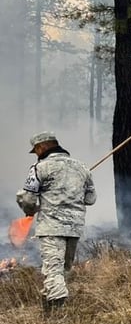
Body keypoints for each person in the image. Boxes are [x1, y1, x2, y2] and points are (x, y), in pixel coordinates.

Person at [15, 131, 97, 313]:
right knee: (63, 270)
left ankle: (56, 317)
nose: (36, 154)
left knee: (53, 270)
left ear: (41, 147)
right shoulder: (82, 168)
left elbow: (28, 199)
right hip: (74, 228)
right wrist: (73, 191)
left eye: (36, 150)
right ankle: (47, 309)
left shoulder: (39, 168)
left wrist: (29, 209)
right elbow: (91, 199)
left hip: (51, 227)